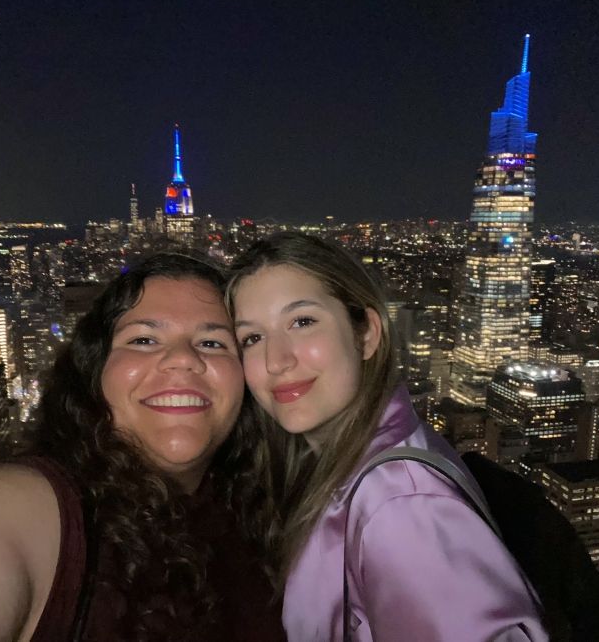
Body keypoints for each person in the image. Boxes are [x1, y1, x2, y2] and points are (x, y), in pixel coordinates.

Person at [0, 253, 285, 641]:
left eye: (212, 342)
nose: (184, 357)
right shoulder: (45, 509)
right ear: (94, 375)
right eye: (143, 339)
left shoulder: (266, 510)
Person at [228, 232, 547, 642]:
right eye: (252, 338)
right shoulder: (347, 467)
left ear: (367, 334)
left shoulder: (400, 505)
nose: (276, 360)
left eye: (302, 321)